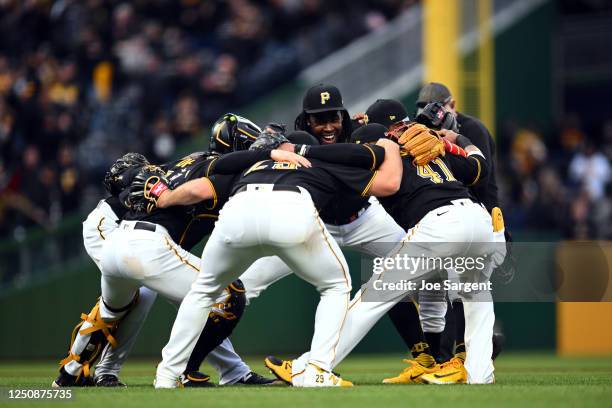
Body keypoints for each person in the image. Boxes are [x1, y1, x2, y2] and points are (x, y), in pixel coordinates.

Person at [153, 132, 403, 388]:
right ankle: (317, 370)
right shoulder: (317, 163)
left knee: (203, 291)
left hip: (239, 210)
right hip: (291, 208)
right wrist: (391, 148)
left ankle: (167, 375)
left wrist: (165, 199)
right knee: (335, 286)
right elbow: (389, 184)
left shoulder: (250, 164)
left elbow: (198, 189)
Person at [266, 122, 498, 385]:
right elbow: (481, 168)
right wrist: (458, 140)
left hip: (440, 224)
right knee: (477, 298)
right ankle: (480, 374)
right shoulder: (431, 154)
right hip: (478, 220)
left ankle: (308, 366)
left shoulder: (384, 160)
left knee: (370, 300)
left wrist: (300, 150)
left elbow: (357, 164)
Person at [384, 83, 506, 384]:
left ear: (452, 104)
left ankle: (460, 357)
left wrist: (454, 143)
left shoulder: (470, 128)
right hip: (456, 217)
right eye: (426, 107)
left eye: (439, 106)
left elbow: (481, 176)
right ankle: (461, 356)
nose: (433, 112)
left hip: (482, 216)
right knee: (447, 291)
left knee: (462, 291)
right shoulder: (425, 130)